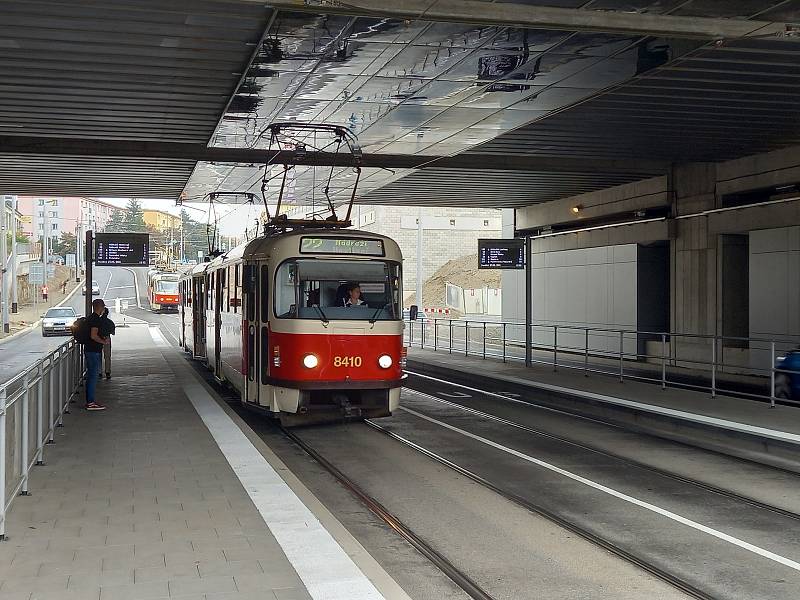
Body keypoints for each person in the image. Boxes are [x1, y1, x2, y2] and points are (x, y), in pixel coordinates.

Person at [84, 299, 109, 411]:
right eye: (103, 306)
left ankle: (90, 400)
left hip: (90, 350)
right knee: (93, 377)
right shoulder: (95, 319)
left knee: (91, 376)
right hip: (93, 351)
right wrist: (104, 342)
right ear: (100, 307)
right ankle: (90, 402)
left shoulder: (90, 318)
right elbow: (93, 335)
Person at [99, 307, 116, 380]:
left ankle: (99, 372)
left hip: (98, 339)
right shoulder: (110, 322)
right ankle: (107, 372)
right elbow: (113, 332)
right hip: (107, 338)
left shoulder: (98, 321)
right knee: (107, 356)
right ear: (107, 313)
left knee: (98, 356)